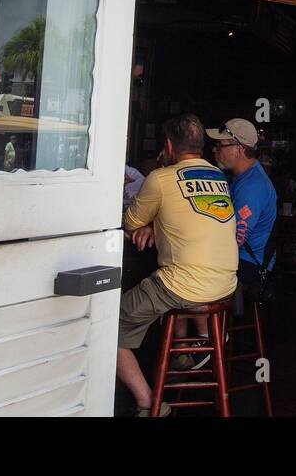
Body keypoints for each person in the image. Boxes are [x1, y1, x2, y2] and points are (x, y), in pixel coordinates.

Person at [116, 114, 238, 417]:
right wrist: (156, 227)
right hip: (225, 284)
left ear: (168, 146)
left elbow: (129, 221)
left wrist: (148, 223)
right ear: (200, 146)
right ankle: (184, 356)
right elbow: (193, 221)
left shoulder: (161, 177)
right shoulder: (218, 177)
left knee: (107, 324)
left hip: (185, 286)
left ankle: (148, 403)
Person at [208, 118, 277, 286]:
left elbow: (234, 240)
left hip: (249, 265)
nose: (213, 150)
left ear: (238, 149)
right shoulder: (242, 176)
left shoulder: (252, 187)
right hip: (241, 260)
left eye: (220, 145)